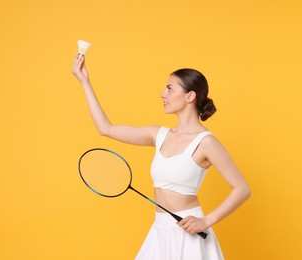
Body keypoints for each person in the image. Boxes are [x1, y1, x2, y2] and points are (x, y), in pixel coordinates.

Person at [72, 53, 251, 260]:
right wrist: (85, 81)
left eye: (169, 88)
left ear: (189, 96)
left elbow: (242, 189)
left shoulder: (206, 142)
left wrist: (206, 221)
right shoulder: (158, 135)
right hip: (160, 231)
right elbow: (106, 129)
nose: (162, 94)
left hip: (189, 233)